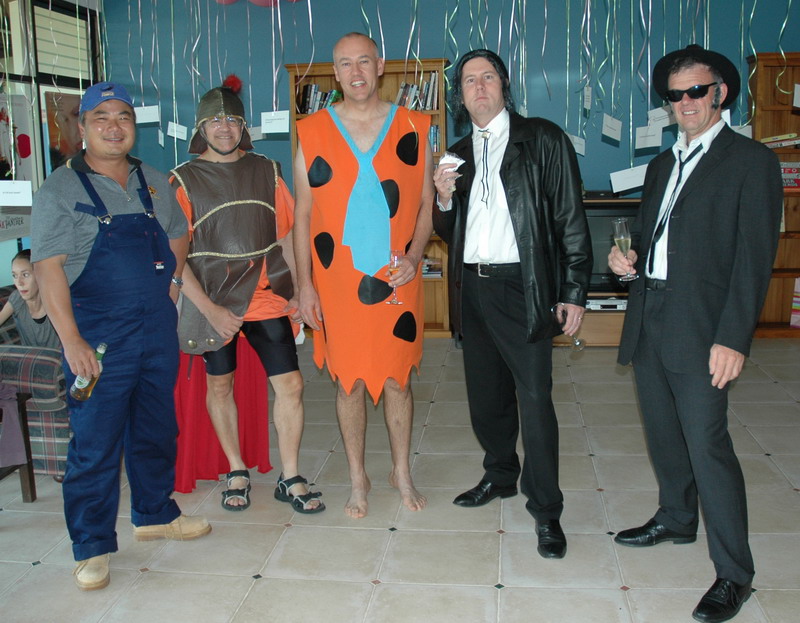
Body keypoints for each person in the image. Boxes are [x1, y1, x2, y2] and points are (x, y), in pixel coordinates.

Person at [607, 45, 783, 623]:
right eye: (674, 95)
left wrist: (733, 338)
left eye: (696, 91)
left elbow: (753, 260)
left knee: (707, 445)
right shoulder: (662, 164)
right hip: (650, 315)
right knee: (663, 433)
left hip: (705, 326)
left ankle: (735, 573)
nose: (684, 102)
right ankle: (677, 518)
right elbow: (651, 235)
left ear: (720, 93)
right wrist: (624, 260)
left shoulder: (751, 161)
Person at [30, 82, 210, 592]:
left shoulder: (153, 179)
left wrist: (172, 284)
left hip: (155, 327)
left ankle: (155, 514)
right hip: (97, 336)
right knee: (95, 442)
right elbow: (48, 269)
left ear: (134, 126)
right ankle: (90, 547)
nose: (114, 127)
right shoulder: (58, 190)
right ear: (82, 127)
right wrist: (71, 341)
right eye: (101, 118)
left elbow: (179, 232)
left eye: (123, 117)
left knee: (156, 429)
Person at [432, 49, 592, 560]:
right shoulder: (456, 153)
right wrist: (442, 199)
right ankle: (500, 475)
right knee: (486, 396)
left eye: (488, 78)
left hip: (523, 287)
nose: (479, 87)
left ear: (504, 86)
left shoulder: (542, 139)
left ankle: (546, 509)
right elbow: (448, 232)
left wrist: (573, 291)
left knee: (535, 399)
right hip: (472, 288)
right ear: (460, 96)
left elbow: (570, 217)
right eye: (468, 81)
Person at [293, 32, 434, 519]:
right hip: (337, 282)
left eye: (364, 62)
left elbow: (426, 205)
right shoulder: (312, 131)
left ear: (380, 65)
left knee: (398, 379)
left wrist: (415, 256)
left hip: (396, 275)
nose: (356, 72)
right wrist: (305, 286)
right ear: (335, 72)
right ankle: (358, 478)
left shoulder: (414, 126)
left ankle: (401, 472)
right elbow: (302, 216)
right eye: (345, 64)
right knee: (348, 382)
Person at [171, 78, 323, 513]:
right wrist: (209, 311)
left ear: (243, 127)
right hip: (213, 301)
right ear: (201, 127)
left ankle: (290, 475)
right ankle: (236, 469)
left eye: (233, 120)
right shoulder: (182, 180)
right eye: (215, 120)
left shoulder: (267, 170)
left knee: (291, 385)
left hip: (265, 293)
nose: (225, 128)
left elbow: (287, 234)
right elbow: (176, 259)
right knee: (220, 385)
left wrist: (296, 291)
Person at [0, 249, 60, 349]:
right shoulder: (17, 298)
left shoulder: (56, 300)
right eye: (15, 275)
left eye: (25, 275)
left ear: (40, 275)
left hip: (58, 357)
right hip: (30, 358)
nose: (19, 283)